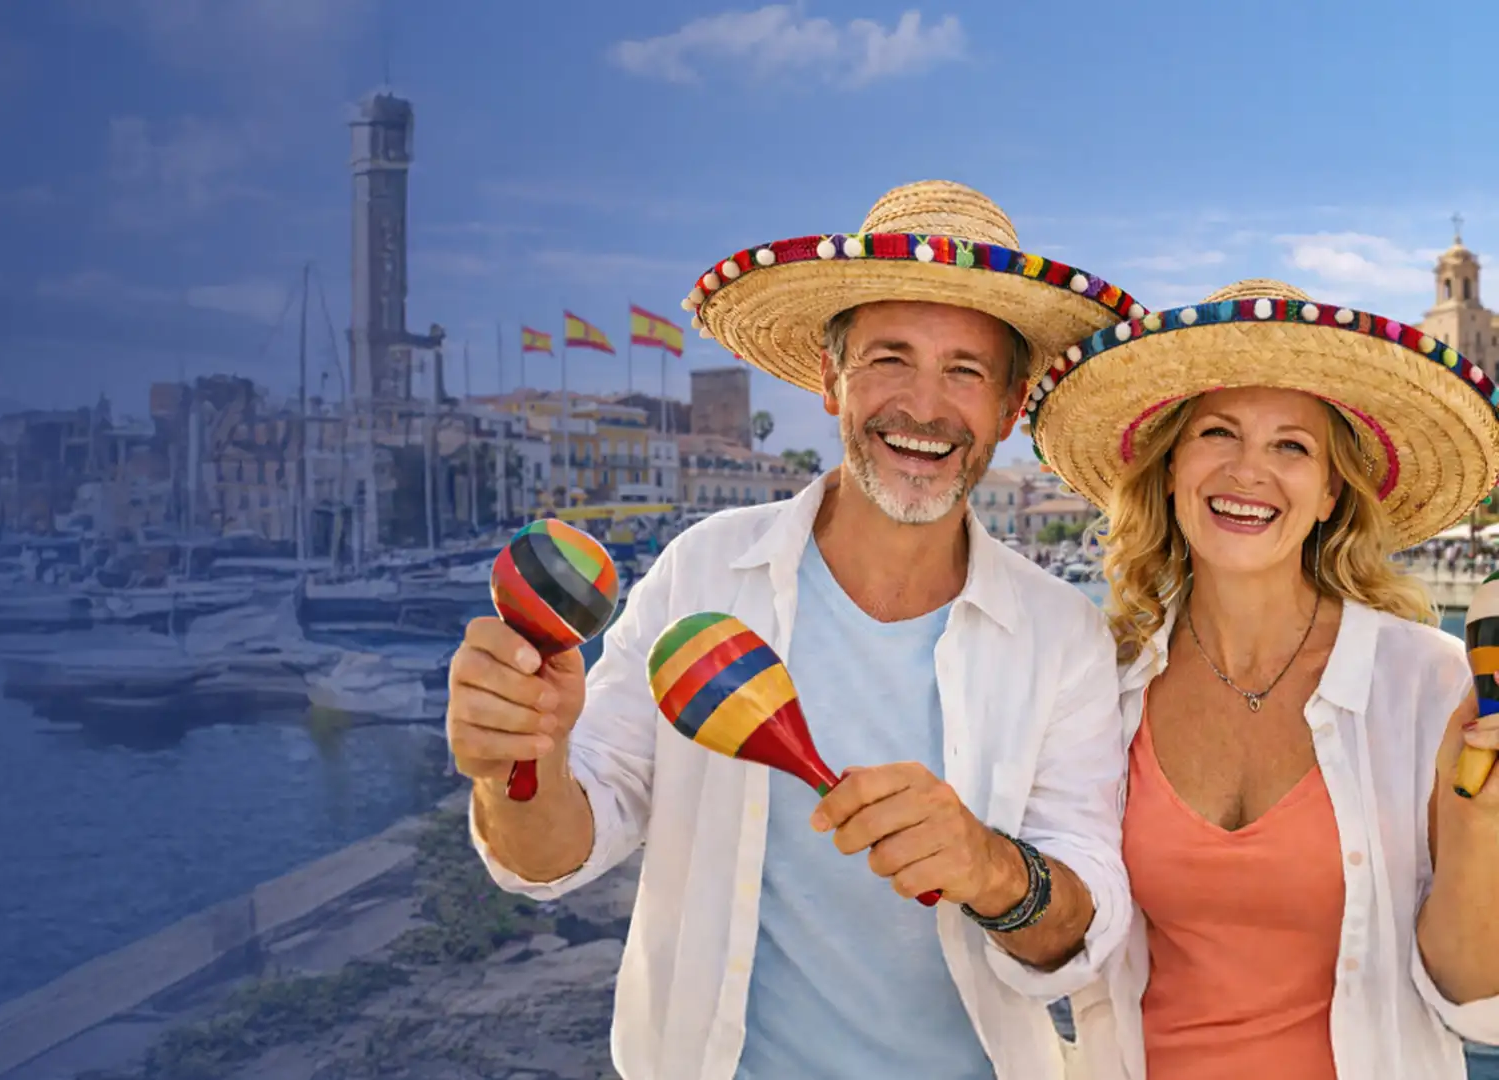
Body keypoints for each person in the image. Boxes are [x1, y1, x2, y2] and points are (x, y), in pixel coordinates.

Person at [446, 179, 1146, 1079]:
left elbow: (1080, 931)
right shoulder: (703, 572)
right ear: (830, 378)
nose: (925, 408)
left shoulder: (1064, 635)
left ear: (1011, 410)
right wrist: (516, 761)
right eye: (889, 358)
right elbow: (552, 856)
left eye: (965, 371)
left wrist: (992, 869)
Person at [1029, 278, 1499, 1078]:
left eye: (1292, 446)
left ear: (1329, 495)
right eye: (1219, 433)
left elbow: (1474, 998)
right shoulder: (1101, 689)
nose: (1250, 471)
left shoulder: (1425, 681)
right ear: (1171, 467)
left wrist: (1483, 826)